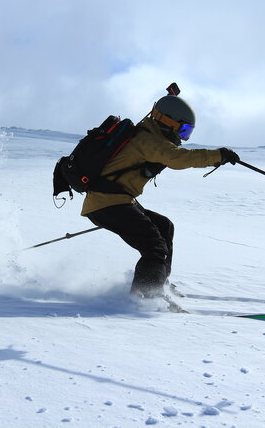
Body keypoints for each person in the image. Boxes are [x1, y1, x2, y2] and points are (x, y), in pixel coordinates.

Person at [81, 92, 240, 298]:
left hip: (114, 201)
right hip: (108, 202)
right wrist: (218, 155)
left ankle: (158, 283)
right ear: (168, 121)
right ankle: (146, 297)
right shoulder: (148, 140)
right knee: (155, 247)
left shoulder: (148, 135)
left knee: (164, 226)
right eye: (183, 129)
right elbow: (177, 158)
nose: (183, 136)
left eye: (188, 132)